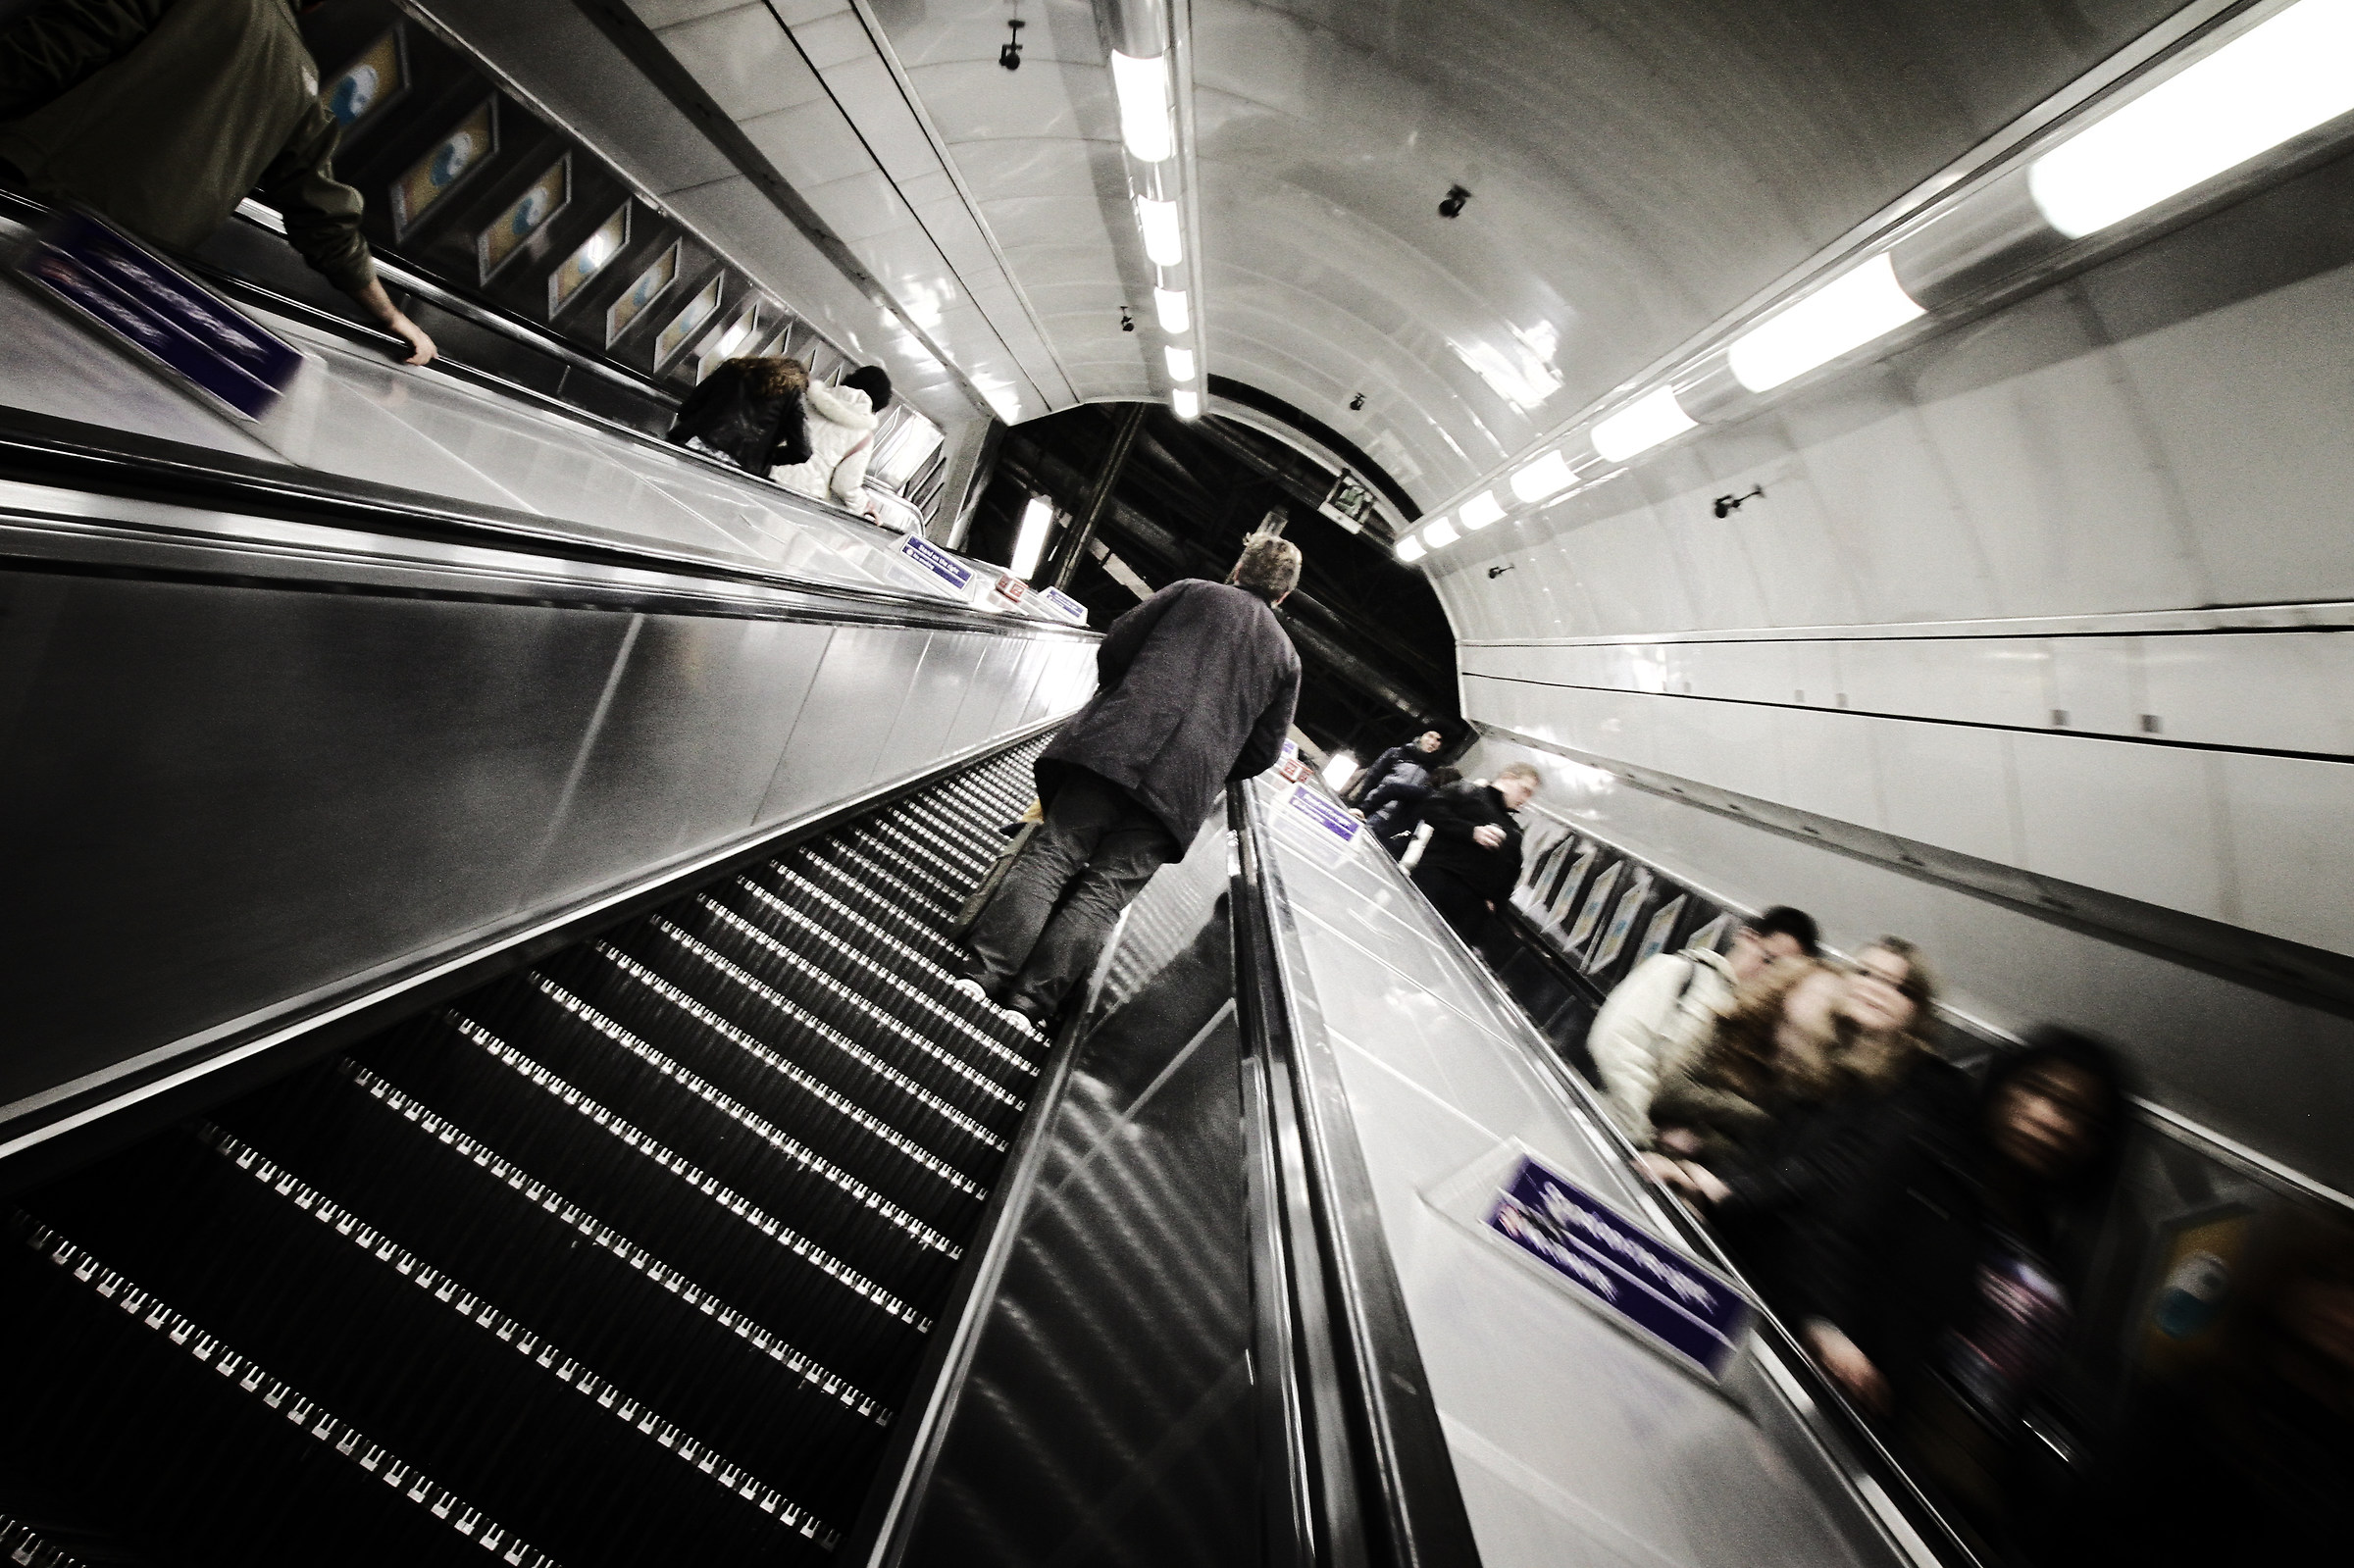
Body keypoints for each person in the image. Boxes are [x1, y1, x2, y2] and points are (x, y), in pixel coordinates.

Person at [1798, 1029, 2132, 1550]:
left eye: (2081, 1119)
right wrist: (1832, 1329)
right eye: (2040, 1092)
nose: (2052, 1121)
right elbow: (1839, 1237)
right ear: (2003, 1088)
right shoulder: (1927, 1157)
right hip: (1867, 1432)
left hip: (1960, 1493)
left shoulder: (2053, 1247)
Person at [953, 536, 1304, 1034]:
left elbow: (1118, 641)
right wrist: (1208, 763)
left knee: (1055, 853)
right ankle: (1030, 1003)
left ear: (1239, 567)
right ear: (1284, 595)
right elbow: (1265, 752)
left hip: (1115, 746)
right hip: (1180, 790)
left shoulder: (1191, 592)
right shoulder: (1287, 661)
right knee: (1106, 891)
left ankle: (986, 973)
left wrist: (1127, 699)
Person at [0, 0, 436, 365]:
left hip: (23, 204)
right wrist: (390, 316)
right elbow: (325, 219)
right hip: (121, 270)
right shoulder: (300, 81)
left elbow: (47, 53)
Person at [1646, 936, 1964, 1314]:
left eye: (1900, 987)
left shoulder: (1920, 1085)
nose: (1877, 988)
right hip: (1760, 1259)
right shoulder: (1837, 1065)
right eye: (1866, 973)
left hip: (1821, 1294)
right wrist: (1704, 1181)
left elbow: (1834, 1166)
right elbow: (1772, 1148)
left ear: (1917, 1011)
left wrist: (1725, 1191)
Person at [1589, 905, 1820, 1141]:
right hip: (1613, 1127)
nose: (1771, 976)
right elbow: (1614, 1043)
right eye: (1769, 960)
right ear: (1747, 938)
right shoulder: (1679, 973)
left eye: (1785, 973)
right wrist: (1646, 1129)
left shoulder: (1760, 1028)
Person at [1410, 762, 1541, 944]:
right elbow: (1430, 809)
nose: (1525, 799)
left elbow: (1511, 874)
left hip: (1470, 913)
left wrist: (1496, 906)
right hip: (1434, 884)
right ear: (1508, 777)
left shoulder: (1514, 831)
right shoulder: (1466, 792)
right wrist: (1471, 832)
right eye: (1524, 790)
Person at [666, 355, 811, 479]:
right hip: (737, 469)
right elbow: (802, 451)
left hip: (691, 445)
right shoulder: (793, 394)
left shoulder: (734, 368)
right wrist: (762, 454)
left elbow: (689, 407)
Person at [774, 365, 890, 515]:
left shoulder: (805, 400)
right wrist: (864, 506)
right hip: (802, 498)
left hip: (761, 474)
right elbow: (844, 486)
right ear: (877, 404)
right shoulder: (863, 436)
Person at [1365, 764, 1457, 857]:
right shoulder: (1441, 804)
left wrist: (1366, 809)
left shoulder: (1425, 794)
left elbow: (1391, 789)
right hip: (1401, 848)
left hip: (1391, 838)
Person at [1345, 728, 1443, 806]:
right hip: (1372, 808)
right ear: (1421, 736)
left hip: (1395, 822)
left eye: (1438, 740)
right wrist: (1358, 804)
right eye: (1430, 736)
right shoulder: (1396, 753)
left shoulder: (1434, 770)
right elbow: (1372, 778)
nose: (1432, 742)